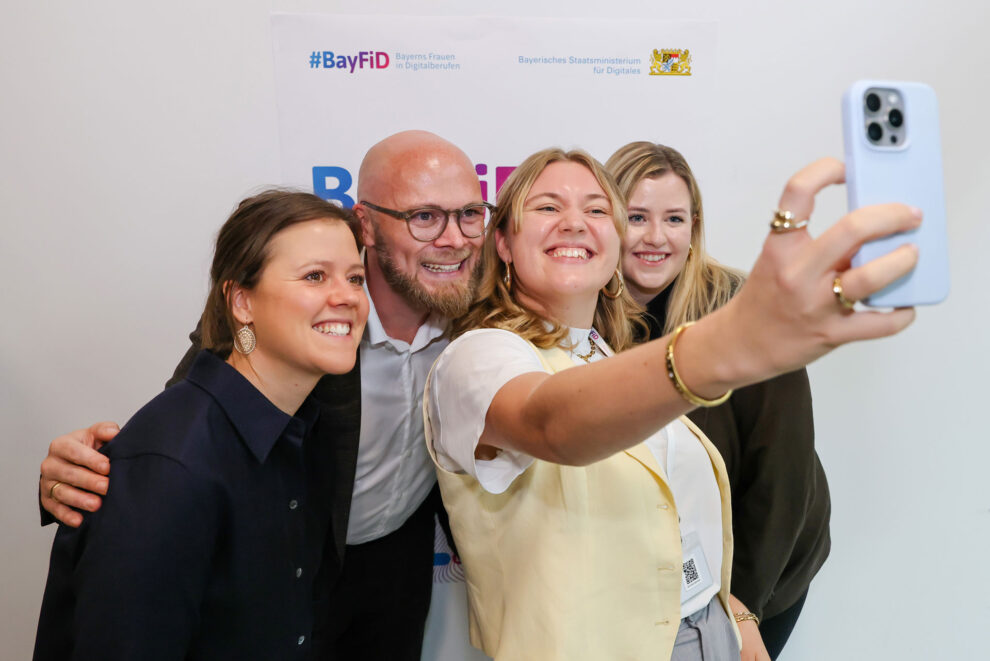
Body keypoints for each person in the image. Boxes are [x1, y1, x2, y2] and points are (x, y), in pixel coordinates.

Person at [423, 147, 919, 661]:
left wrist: (731, 611)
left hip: (705, 626)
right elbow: (549, 423)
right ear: (503, 242)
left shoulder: (601, 349)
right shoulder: (477, 357)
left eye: (596, 209)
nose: (574, 222)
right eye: (548, 207)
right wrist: (729, 343)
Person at [37, 130, 489, 660]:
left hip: (395, 566)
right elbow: (196, 434)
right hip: (303, 561)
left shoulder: (480, 302)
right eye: (424, 216)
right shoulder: (294, 324)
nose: (453, 238)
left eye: (469, 214)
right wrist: (112, 476)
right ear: (366, 224)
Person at [34, 190, 369, 660]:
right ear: (242, 301)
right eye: (315, 276)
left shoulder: (299, 433)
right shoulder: (174, 468)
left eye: (356, 278)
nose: (347, 297)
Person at [606, 141, 830, 658]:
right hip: (655, 571)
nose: (655, 237)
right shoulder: (585, 314)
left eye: (674, 219)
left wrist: (743, 603)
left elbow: (782, 472)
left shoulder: (747, 314)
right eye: (637, 217)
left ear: (694, 227)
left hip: (760, 564)